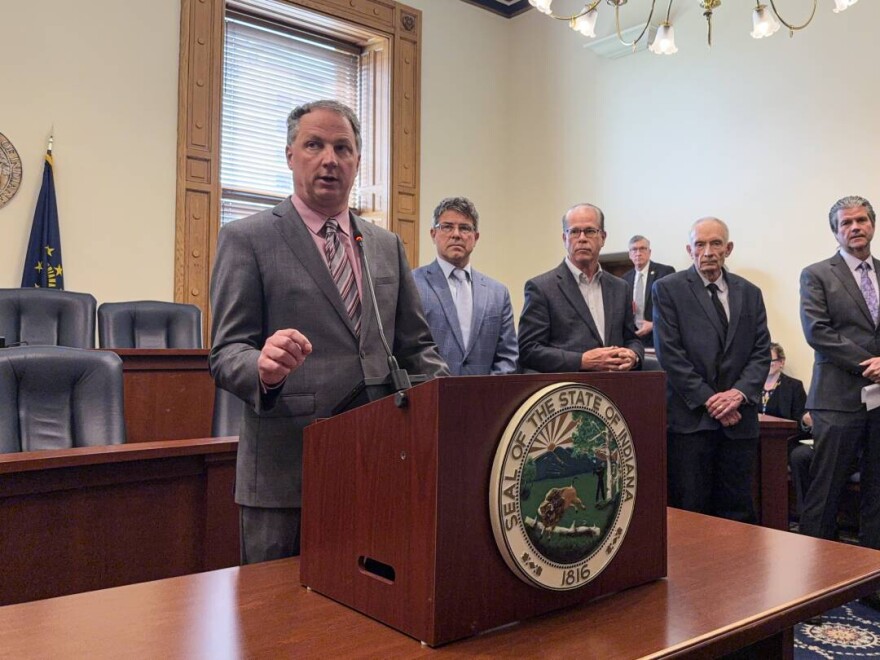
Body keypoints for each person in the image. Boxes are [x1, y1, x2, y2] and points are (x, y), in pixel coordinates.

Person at [209, 100, 448, 564]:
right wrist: (262, 367)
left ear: (358, 161)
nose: (329, 159)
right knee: (278, 624)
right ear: (289, 155)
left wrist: (446, 402)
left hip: (379, 466)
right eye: (314, 145)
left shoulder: (385, 245)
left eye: (343, 148)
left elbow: (417, 347)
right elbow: (225, 352)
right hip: (287, 471)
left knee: (371, 616)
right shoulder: (247, 237)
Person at [653, 217, 770, 522]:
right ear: (689, 249)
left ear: (728, 248)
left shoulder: (750, 292)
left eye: (716, 243)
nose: (708, 251)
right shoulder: (668, 290)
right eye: (700, 244)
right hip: (692, 423)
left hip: (739, 423)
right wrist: (711, 400)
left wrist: (738, 394)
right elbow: (671, 355)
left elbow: (760, 352)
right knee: (692, 514)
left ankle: (739, 572)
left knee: (739, 513)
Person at [799, 195, 880, 553]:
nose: (855, 227)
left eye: (861, 220)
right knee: (825, 494)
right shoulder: (817, 274)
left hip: (879, 405)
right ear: (836, 232)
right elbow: (818, 331)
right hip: (836, 402)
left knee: (877, 495)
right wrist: (872, 363)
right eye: (846, 223)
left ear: (873, 225)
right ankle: (812, 588)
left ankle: (870, 579)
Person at [518, 203, 643, 373]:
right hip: (569, 391)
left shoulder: (621, 288)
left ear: (603, 238)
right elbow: (528, 349)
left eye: (590, 231)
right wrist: (581, 361)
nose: (582, 238)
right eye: (575, 231)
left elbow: (632, 338)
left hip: (615, 389)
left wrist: (633, 355)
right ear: (564, 238)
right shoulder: (541, 288)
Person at [412, 196, 518, 375]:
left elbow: (508, 356)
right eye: (447, 227)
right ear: (433, 234)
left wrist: (486, 394)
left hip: (487, 398)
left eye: (464, 228)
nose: (456, 234)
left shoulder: (498, 293)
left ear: (475, 237)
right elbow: (409, 348)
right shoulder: (412, 284)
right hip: (431, 396)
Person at [760, 341, 812, 516]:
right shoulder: (752, 386)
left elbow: (801, 418)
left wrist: (806, 419)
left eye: (771, 361)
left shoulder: (793, 386)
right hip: (757, 438)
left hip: (785, 441)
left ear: (781, 362)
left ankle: (779, 512)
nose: (767, 365)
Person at [622, 235, 675, 349]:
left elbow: (674, 306)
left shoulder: (665, 272)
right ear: (630, 254)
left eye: (642, 249)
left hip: (659, 336)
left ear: (649, 252)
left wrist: (654, 325)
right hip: (634, 339)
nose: (638, 253)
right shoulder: (624, 279)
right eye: (634, 249)